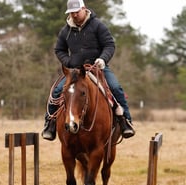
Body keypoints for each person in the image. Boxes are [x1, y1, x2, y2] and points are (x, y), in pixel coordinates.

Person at [42, 0, 135, 141]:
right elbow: (59, 49)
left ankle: (125, 122)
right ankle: (50, 124)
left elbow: (109, 45)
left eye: (76, 11)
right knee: (56, 91)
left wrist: (103, 59)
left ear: (84, 9)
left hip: (98, 68)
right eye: (71, 13)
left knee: (116, 88)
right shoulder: (65, 31)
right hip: (75, 71)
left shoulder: (98, 26)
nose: (74, 15)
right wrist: (68, 62)